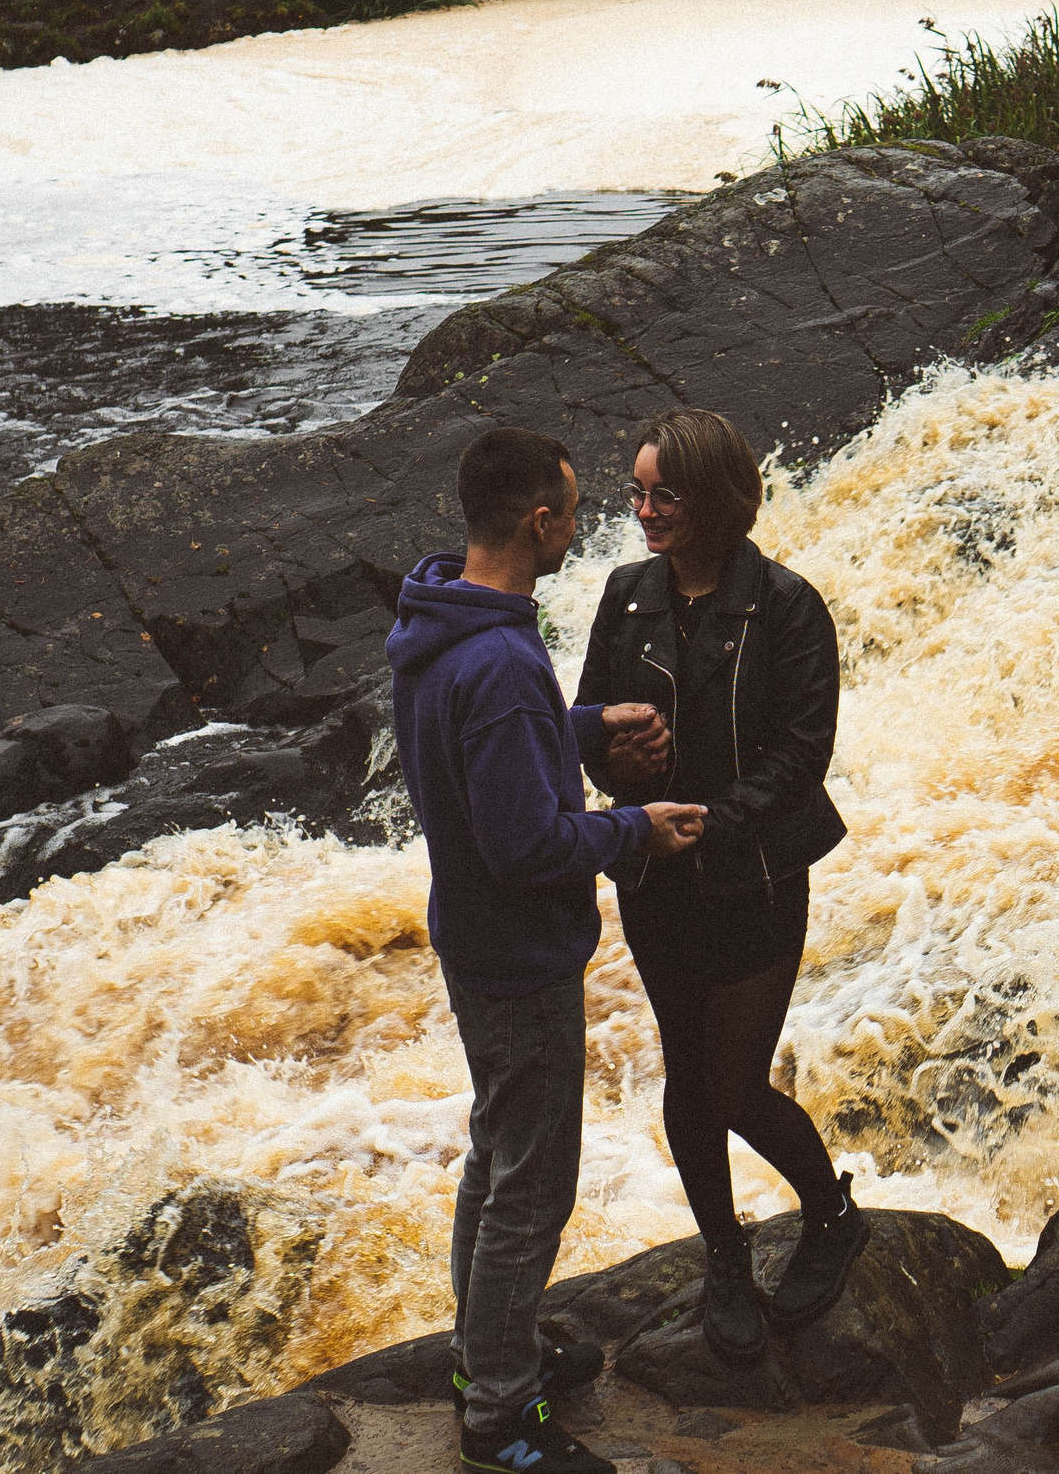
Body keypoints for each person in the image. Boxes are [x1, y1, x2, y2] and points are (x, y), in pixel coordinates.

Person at [388, 425, 708, 1474]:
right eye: (574, 510)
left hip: (470, 937)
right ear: (538, 521)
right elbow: (530, 843)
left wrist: (578, 727)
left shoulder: (441, 622)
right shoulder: (501, 657)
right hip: (521, 952)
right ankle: (500, 1417)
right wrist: (636, 827)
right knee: (532, 1183)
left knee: (498, 1152)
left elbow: (481, 749)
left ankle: (488, 1353)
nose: (583, 526)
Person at [574, 406, 869, 1366]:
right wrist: (624, 759)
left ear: (713, 498)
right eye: (637, 491)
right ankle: (727, 1256)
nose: (645, 510)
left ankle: (830, 1215)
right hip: (657, 875)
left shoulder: (787, 605)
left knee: (736, 1082)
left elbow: (802, 749)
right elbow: (589, 725)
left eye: (664, 494)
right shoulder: (624, 597)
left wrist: (713, 818)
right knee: (687, 1080)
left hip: (753, 874)